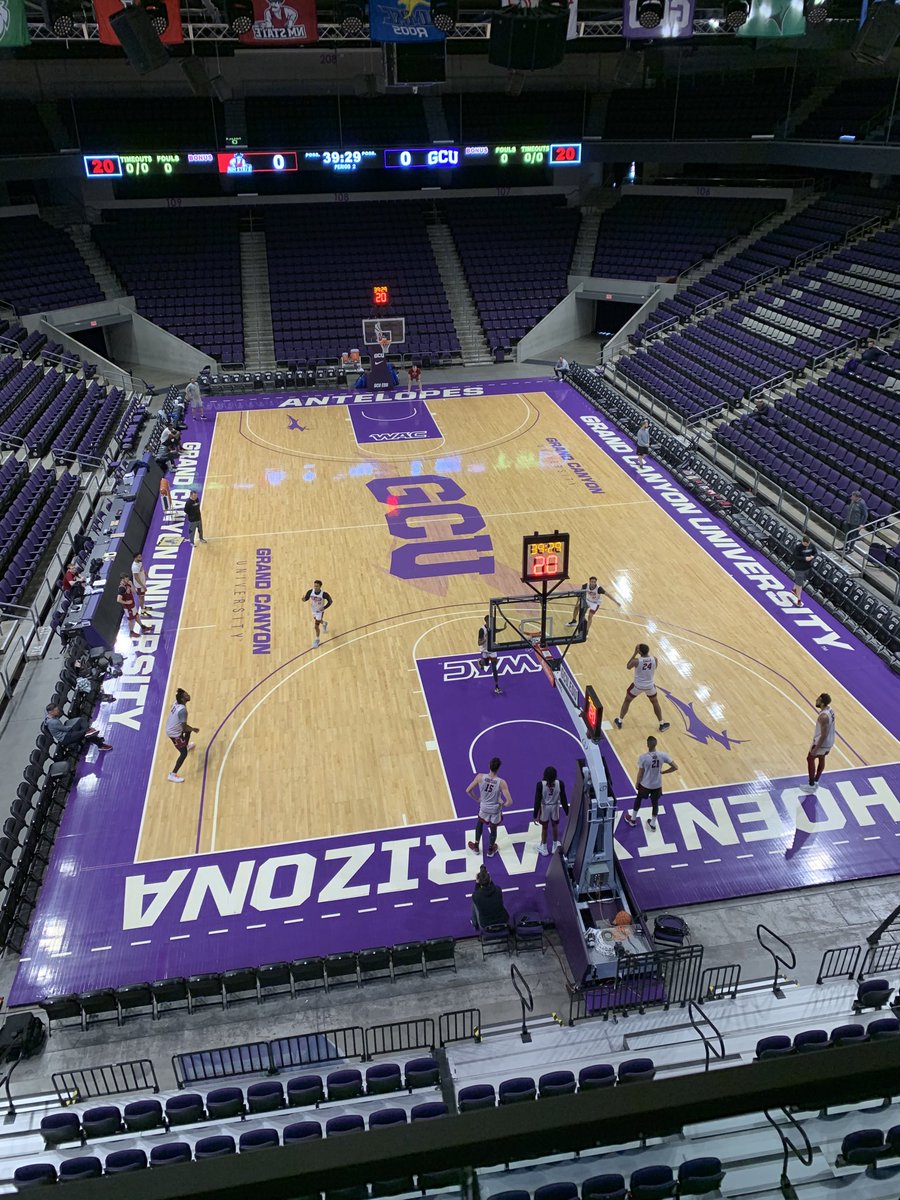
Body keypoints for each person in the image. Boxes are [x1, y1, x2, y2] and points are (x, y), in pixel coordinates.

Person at [623, 736, 677, 831]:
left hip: (645, 785)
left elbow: (640, 773)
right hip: (657, 785)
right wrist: (664, 772)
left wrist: (637, 782)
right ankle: (652, 824)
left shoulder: (643, 758)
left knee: (638, 799)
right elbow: (675, 767)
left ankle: (633, 820)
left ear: (647, 745)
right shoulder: (663, 755)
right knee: (655, 803)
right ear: (656, 744)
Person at [614, 643, 670, 732]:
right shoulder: (654, 659)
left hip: (637, 686)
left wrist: (634, 653)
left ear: (639, 651)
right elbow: (654, 668)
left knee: (627, 701)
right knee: (655, 703)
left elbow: (628, 666)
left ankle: (620, 721)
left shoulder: (636, 661)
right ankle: (662, 724)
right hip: (650, 686)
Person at [466, 757, 512, 858]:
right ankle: (491, 849)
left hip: (484, 807)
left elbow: (468, 790)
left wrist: (477, 799)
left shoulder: (480, 777)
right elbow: (509, 802)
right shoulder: (501, 782)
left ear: (489, 766)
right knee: (493, 828)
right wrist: (502, 804)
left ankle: (476, 846)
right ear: (498, 768)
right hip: (495, 809)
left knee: (479, 823)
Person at [44, 703, 112, 754]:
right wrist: (73, 727)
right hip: (65, 737)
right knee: (85, 732)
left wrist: (74, 727)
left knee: (81, 720)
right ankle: (100, 745)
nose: (58, 711)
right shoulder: (53, 722)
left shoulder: (50, 716)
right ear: (51, 712)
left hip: (67, 732)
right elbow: (65, 729)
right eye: (56, 710)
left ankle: (89, 732)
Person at [533, 765, 569, 856]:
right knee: (554, 825)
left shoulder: (540, 785)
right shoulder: (560, 783)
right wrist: (567, 812)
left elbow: (537, 800)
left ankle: (544, 848)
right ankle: (554, 846)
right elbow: (564, 799)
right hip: (555, 806)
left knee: (544, 827)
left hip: (545, 807)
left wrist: (535, 815)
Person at [166, 687, 199, 783]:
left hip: (174, 727)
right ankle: (172, 775)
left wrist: (190, 729)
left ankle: (186, 745)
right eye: (185, 695)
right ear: (182, 699)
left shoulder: (177, 702)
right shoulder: (182, 711)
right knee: (183, 753)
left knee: (188, 731)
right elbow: (184, 728)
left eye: (187, 693)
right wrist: (193, 729)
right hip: (174, 733)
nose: (188, 695)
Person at [806, 692, 835, 791]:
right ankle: (816, 781)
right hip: (830, 742)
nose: (816, 700)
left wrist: (816, 748)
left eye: (818, 700)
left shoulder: (823, 717)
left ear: (822, 703)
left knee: (810, 758)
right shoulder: (830, 710)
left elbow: (823, 735)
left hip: (822, 743)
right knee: (822, 758)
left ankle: (811, 784)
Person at [471, 866, 510, 931]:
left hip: (486, 925)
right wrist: (488, 879)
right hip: (503, 922)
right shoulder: (498, 889)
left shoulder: (476, 896)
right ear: (490, 879)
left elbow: (476, 894)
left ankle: (475, 924)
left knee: (474, 903)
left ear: (479, 881)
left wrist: (477, 883)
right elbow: (493, 887)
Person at [117, 574, 151, 640]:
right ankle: (131, 632)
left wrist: (131, 584)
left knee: (136, 615)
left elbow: (133, 592)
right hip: (127, 607)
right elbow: (118, 599)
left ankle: (143, 627)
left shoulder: (128, 583)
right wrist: (126, 602)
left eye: (128, 579)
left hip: (132, 604)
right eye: (126, 579)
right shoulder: (122, 588)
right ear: (122, 580)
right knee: (131, 619)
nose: (128, 580)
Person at [303, 580, 333, 648]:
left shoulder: (324, 594)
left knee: (316, 626)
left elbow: (330, 601)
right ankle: (325, 623)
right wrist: (303, 599)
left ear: (320, 587)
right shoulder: (310, 591)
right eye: (314, 586)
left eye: (317, 586)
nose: (315, 587)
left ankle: (317, 640)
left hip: (320, 612)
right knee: (318, 620)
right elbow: (306, 598)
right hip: (313, 610)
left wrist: (324, 608)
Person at [477, 615, 501, 695]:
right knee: (486, 664)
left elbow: (495, 631)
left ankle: (497, 687)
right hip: (485, 650)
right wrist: (486, 638)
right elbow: (479, 643)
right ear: (486, 622)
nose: (491, 623)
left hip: (492, 649)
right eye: (489, 621)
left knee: (494, 668)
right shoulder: (482, 630)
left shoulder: (492, 627)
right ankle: (481, 662)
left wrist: (502, 629)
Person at [791, 534, 817, 605]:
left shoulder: (812, 545)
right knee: (800, 584)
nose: (806, 546)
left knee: (800, 580)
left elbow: (815, 553)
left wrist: (812, 557)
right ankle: (799, 599)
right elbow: (795, 556)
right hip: (799, 568)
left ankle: (794, 589)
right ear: (803, 542)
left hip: (807, 567)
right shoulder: (798, 547)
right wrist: (805, 558)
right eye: (805, 545)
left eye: (807, 545)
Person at [131, 553, 153, 618]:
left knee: (143, 597)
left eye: (141, 557)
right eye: (139, 557)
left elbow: (142, 568)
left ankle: (143, 607)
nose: (141, 558)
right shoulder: (134, 567)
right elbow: (136, 578)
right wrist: (143, 586)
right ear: (135, 558)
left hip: (142, 583)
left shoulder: (139, 562)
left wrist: (146, 574)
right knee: (141, 597)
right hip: (139, 586)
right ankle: (142, 611)